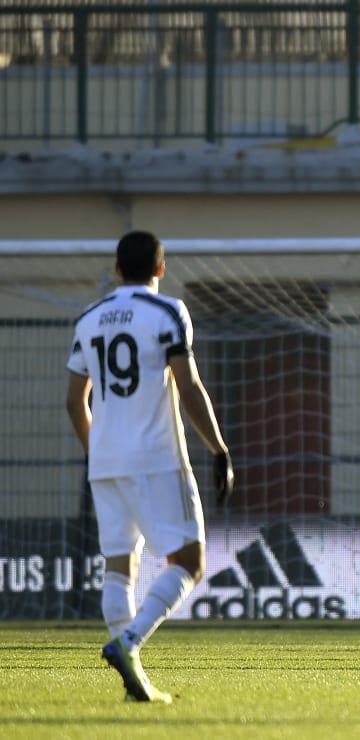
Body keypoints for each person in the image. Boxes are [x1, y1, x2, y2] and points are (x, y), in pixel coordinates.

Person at [65, 230, 234, 703]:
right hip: (156, 457)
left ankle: (134, 680)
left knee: (120, 566)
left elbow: (74, 402)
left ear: (117, 270)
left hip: (106, 459)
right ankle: (130, 641)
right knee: (191, 562)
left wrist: (96, 450)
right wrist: (219, 449)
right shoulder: (168, 312)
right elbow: (188, 385)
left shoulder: (89, 319)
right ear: (161, 269)